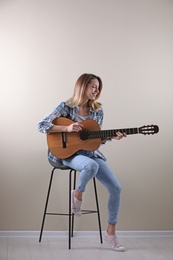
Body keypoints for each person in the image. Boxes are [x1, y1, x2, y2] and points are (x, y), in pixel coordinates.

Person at [37, 73, 126, 252]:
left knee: (116, 188)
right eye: (93, 86)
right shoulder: (66, 107)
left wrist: (110, 137)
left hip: (90, 154)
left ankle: (111, 233)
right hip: (68, 154)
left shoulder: (98, 111)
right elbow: (41, 125)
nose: (97, 90)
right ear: (82, 86)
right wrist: (67, 128)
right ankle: (77, 195)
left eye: (98, 87)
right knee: (90, 166)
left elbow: (94, 141)